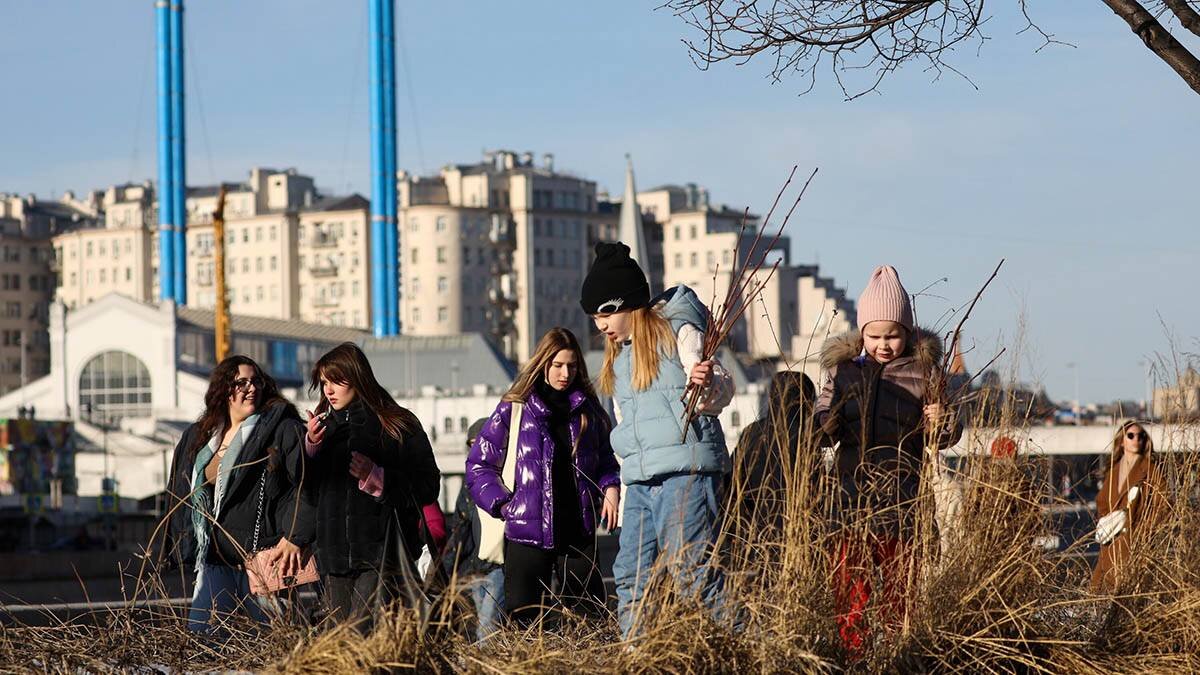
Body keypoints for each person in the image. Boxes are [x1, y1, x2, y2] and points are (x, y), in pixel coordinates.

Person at [581, 242, 736, 639]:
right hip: (642, 480)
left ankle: (751, 646)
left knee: (692, 574)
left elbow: (717, 392)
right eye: (595, 317)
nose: (601, 324)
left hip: (686, 471)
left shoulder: (677, 331)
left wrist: (706, 385)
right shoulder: (618, 356)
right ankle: (637, 656)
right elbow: (623, 420)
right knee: (631, 575)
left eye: (606, 312)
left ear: (628, 303)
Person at [815, 265, 962, 656]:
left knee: (901, 592)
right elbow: (821, 425)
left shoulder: (924, 372)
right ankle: (853, 654)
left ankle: (902, 654)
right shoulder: (843, 372)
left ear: (908, 333)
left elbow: (946, 434)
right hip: (849, 500)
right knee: (850, 593)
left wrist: (941, 422)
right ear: (861, 334)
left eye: (893, 336)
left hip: (903, 498)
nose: (884, 344)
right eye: (875, 335)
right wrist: (826, 422)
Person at [466, 327, 621, 626]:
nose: (565, 373)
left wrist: (610, 487)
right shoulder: (515, 407)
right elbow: (478, 466)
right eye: (558, 365)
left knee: (587, 621)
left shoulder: (588, 410)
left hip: (578, 530)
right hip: (526, 533)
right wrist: (503, 504)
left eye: (572, 366)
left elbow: (605, 460)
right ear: (543, 363)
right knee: (525, 624)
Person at [162, 356, 315, 634]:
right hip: (215, 557)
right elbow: (181, 492)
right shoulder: (203, 435)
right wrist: (177, 544)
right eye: (241, 382)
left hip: (264, 557)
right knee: (202, 636)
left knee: (278, 640)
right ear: (224, 389)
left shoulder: (281, 428)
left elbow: (304, 485)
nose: (251, 388)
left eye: (256, 381)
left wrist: (295, 536)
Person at [304, 343, 441, 628]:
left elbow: (428, 485)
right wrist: (311, 450)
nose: (329, 390)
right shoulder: (323, 430)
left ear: (357, 376)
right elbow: (307, 494)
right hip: (333, 560)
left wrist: (379, 479)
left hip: (382, 556)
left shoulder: (396, 422)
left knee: (362, 638)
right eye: (324, 382)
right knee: (335, 648)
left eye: (337, 380)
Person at [730, 371, 818, 538]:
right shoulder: (807, 436)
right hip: (800, 533)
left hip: (754, 531)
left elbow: (734, 477)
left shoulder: (753, 432)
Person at [442, 418, 506, 641]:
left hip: (498, 566)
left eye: (480, 442)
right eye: (471, 444)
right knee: (482, 627)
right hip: (475, 568)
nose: (475, 448)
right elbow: (461, 527)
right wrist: (446, 570)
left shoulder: (506, 477)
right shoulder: (470, 482)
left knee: (487, 630)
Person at [1090, 420, 1168, 592]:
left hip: (1134, 540)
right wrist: (1108, 519)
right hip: (1111, 540)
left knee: (1128, 592)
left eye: (1141, 436)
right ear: (1122, 440)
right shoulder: (1113, 469)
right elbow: (1101, 501)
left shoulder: (1150, 469)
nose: (1136, 439)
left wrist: (1145, 529)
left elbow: (1164, 503)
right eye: (1131, 435)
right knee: (1100, 592)